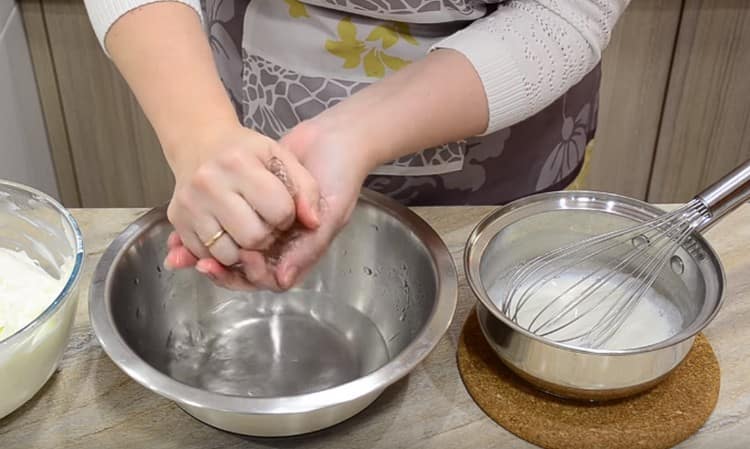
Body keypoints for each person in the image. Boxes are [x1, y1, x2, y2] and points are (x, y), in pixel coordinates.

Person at [83, 0, 628, 291]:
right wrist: (202, 135)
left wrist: (350, 134)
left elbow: (570, 9)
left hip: (506, 137)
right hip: (238, 100)